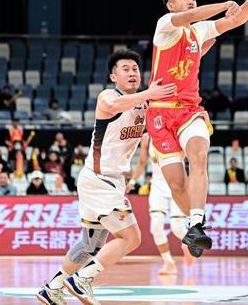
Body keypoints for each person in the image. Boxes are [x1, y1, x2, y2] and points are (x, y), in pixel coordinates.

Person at [145, 0, 248, 258]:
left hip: (189, 110)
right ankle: (194, 226)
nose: (191, 0)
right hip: (160, 113)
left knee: (199, 154)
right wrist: (226, 4)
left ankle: (196, 224)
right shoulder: (165, 25)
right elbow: (193, 15)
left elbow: (232, 21)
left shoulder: (199, 30)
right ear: (170, 5)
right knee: (177, 185)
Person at [38, 50, 175, 305]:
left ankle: (52, 288)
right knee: (131, 238)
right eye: (126, 69)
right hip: (99, 179)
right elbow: (113, 106)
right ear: (113, 76)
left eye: (135, 69)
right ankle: (83, 279)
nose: (132, 73)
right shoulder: (108, 96)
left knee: (90, 245)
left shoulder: (144, 103)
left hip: (107, 181)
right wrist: (149, 93)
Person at [129, 132, 194, 275]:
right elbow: (142, 162)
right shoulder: (147, 138)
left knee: (177, 228)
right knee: (156, 226)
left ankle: (190, 243)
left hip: (177, 185)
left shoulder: (176, 132)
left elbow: (190, 158)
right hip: (158, 187)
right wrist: (132, 182)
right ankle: (168, 262)